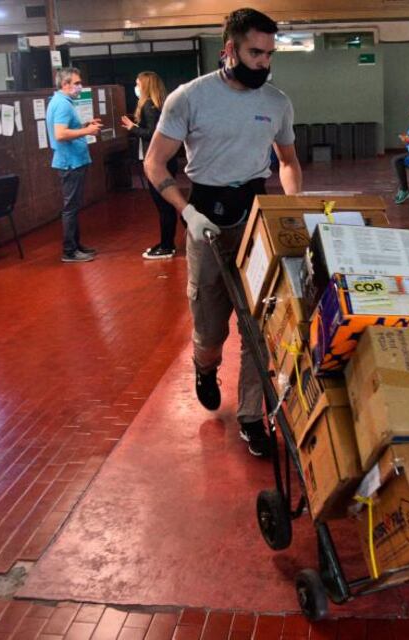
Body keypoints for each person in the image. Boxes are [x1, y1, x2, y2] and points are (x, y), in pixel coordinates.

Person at [144, 7, 303, 458]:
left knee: (260, 323)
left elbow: (288, 162)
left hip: (255, 218)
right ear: (229, 49)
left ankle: (253, 416)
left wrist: (288, 209)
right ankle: (204, 366)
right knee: (210, 325)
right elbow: (155, 163)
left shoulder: (276, 102)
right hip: (205, 219)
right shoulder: (188, 99)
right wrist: (185, 213)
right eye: (256, 52)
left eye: (270, 54)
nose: (264, 63)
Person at [120, 72, 180, 260]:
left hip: (158, 163)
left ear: (145, 85)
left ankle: (167, 245)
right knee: (167, 204)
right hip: (165, 160)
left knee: (164, 205)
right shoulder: (160, 105)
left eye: (138, 84)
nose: (135, 87)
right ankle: (166, 242)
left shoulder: (149, 106)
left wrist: (133, 128)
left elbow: (153, 133)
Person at [47, 67, 104, 263]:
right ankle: (69, 250)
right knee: (70, 208)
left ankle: (76, 245)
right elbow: (60, 134)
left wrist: (84, 125)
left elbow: (66, 129)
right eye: (77, 83)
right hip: (70, 162)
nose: (80, 86)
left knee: (74, 206)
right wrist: (87, 131)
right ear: (65, 85)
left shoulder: (61, 102)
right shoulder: (62, 105)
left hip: (74, 160)